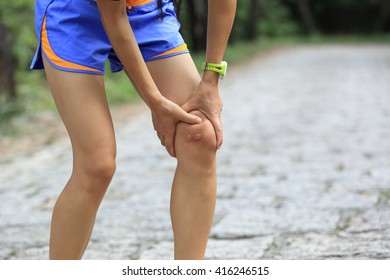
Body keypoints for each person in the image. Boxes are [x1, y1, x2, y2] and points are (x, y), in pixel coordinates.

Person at [30, 0, 236, 260]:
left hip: (144, 8)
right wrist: (156, 103)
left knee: (199, 135)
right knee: (97, 165)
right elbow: (114, 19)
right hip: (74, 13)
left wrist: (211, 78)